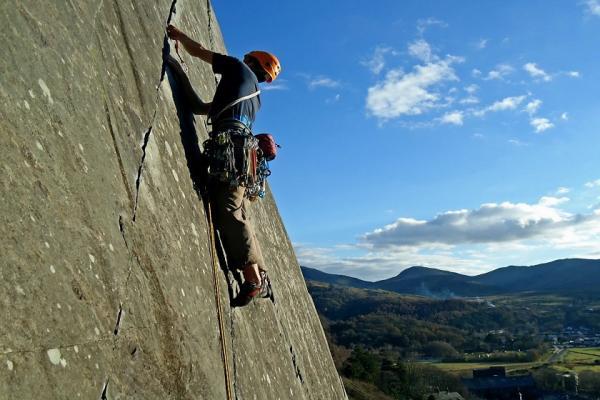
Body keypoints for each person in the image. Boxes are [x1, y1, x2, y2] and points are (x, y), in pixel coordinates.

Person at [166, 24, 281, 306]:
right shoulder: (251, 97)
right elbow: (201, 107)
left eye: (247, 59)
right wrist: (178, 73)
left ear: (251, 63)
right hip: (239, 152)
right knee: (237, 211)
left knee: (229, 211)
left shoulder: (238, 71)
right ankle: (259, 274)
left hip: (232, 149)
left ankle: (254, 279)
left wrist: (178, 36)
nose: (243, 61)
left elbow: (201, 52)